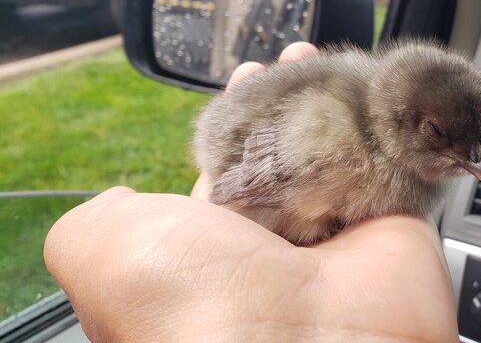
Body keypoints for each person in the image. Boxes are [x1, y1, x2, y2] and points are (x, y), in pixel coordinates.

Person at [43, 42, 459, 342]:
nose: (478, 164)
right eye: (439, 133)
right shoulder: (339, 139)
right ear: (401, 116)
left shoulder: (382, 129)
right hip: (254, 167)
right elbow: (244, 183)